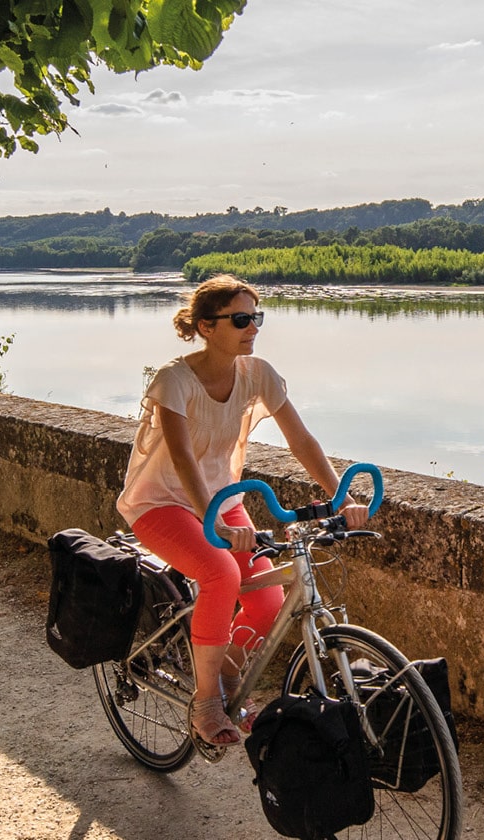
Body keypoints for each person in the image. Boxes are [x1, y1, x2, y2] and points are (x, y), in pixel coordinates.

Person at [115, 275, 370, 746]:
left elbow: (301, 440)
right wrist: (209, 519)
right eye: (241, 318)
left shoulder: (258, 374)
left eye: (257, 317)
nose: (253, 327)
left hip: (221, 501)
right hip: (161, 502)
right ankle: (206, 702)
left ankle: (229, 680)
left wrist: (340, 496)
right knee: (219, 575)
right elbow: (183, 459)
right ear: (206, 326)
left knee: (268, 597)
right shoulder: (174, 380)